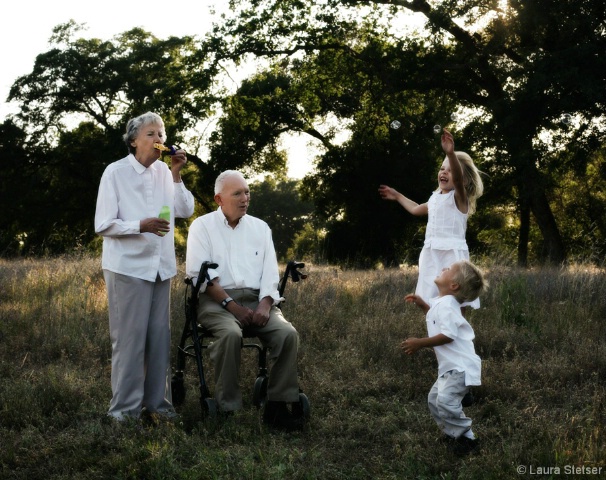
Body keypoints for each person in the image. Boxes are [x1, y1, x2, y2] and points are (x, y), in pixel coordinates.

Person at [95, 112, 195, 422]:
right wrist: (142, 225)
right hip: (127, 268)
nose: (159, 139)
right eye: (151, 134)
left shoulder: (165, 173)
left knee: (158, 340)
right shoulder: (115, 172)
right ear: (134, 140)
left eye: (162, 134)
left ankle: (158, 407)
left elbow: (185, 209)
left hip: (160, 267)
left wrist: (177, 173)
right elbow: (103, 224)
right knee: (129, 341)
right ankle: (123, 412)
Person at [185, 170, 304, 430]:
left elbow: (270, 274)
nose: (245, 198)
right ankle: (228, 409)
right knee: (230, 334)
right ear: (219, 199)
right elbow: (200, 277)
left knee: (287, 334)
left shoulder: (260, 228)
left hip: (256, 298)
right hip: (215, 301)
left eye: (247, 192)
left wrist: (264, 304)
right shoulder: (202, 227)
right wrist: (233, 308)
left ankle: (277, 407)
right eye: (237, 193)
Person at [378, 129, 483, 309]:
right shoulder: (435, 197)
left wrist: (450, 153)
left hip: (452, 254)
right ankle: (437, 328)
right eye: (442, 168)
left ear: (464, 181)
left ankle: (457, 330)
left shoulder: (459, 198)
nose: (444, 172)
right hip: (431, 253)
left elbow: (456, 180)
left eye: (450, 170)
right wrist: (397, 196)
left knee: (457, 296)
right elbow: (416, 209)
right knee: (431, 294)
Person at [401, 260, 488, 455]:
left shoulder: (448, 306)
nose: (443, 268)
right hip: (450, 367)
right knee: (434, 400)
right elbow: (436, 320)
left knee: (445, 400)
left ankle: (467, 439)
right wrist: (424, 305)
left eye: (449, 270)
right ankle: (451, 433)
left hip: (460, 367)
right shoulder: (443, 304)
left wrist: (420, 343)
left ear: (454, 285)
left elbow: (448, 335)